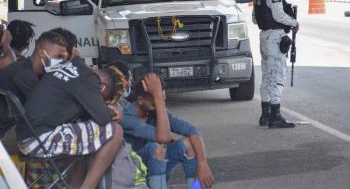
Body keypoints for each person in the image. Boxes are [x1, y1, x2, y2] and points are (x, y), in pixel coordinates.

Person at [16, 56, 124, 189]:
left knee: (78, 141)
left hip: (27, 137)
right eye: (102, 99)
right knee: (116, 131)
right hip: (39, 140)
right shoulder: (89, 80)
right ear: (102, 87)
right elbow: (103, 117)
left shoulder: (73, 67)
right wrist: (114, 110)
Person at [121, 74, 214, 189]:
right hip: (134, 174)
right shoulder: (126, 117)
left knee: (189, 144)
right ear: (140, 100)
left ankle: (195, 187)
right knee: (155, 148)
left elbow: (193, 131)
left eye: (162, 101)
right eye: (156, 102)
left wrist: (203, 163)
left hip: (156, 170)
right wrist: (158, 98)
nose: (161, 106)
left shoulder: (157, 111)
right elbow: (162, 138)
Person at [252, 0, 299, 128]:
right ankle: (275, 116)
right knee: (278, 76)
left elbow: (254, 19)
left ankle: (265, 115)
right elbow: (278, 15)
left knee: (266, 77)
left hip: (264, 37)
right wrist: (294, 22)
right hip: (274, 37)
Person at [0, 30, 67, 137]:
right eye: (58, 57)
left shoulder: (35, 72)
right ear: (41, 52)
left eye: (64, 58)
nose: (61, 62)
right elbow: (47, 108)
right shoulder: (24, 75)